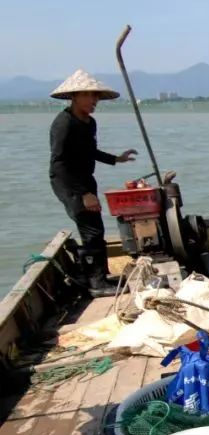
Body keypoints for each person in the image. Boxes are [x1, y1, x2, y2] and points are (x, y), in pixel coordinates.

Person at [48, 69, 137, 297]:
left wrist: (116, 159)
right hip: (69, 183)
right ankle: (96, 284)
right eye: (89, 95)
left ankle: (98, 275)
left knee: (95, 229)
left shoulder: (89, 123)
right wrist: (83, 193)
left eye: (96, 96)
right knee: (92, 230)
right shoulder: (64, 123)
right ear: (74, 96)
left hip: (86, 180)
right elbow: (58, 163)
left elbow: (90, 151)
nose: (94, 100)